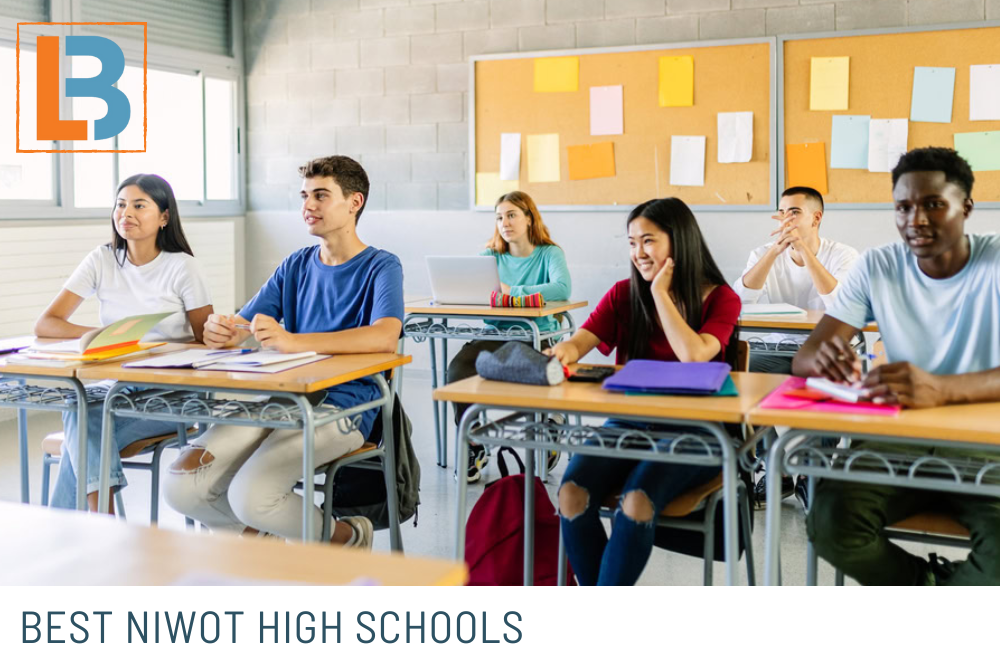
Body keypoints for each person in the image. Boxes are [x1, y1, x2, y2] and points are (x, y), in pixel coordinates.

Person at [163, 156, 404, 550]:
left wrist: (293, 340)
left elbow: (385, 336)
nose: (308, 205)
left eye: (321, 196)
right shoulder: (295, 265)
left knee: (251, 496)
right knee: (182, 485)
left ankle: (346, 536)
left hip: (344, 405)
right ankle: (266, 553)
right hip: (276, 397)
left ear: (354, 202)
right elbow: (242, 327)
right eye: (305, 196)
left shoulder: (381, 266)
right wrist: (223, 331)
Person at [794, 147, 1000, 585]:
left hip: (987, 446)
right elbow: (805, 356)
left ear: (966, 208)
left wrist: (943, 389)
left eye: (933, 204)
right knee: (830, 521)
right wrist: (824, 358)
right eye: (903, 206)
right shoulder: (879, 265)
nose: (916, 219)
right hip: (897, 441)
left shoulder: (995, 262)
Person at [547, 198, 741, 585]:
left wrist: (660, 295)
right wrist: (558, 354)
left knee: (636, 501)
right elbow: (580, 341)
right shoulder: (622, 294)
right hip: (629, 422)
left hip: (699, 429)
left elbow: (694, 356)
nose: (638, 253)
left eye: (648, 241)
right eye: (632, 242)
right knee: (570, 493)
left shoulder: (721, 297)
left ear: (680, 241)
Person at [34, 174, 213, 511]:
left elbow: (207, 340)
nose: (125, 213)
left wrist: (158, 346)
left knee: (84, 429)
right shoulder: (102, 259)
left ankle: (89, 523)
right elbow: (47, 323)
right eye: (120, 204)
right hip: (119, 387)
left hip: (173, 395)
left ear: (164, 217)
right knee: (80, 410)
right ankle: (100, 520)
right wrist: (105, 336)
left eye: (139, 205)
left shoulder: (183, 267)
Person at [733, 186, 858, 507]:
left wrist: (807, 255)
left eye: (795, 212)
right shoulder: (763, 252)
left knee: (834, 383)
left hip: (825, 351)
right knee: (743, 375)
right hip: (772, 347)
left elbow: (841, 304)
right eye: (782, 211)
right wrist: (774, 253)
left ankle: (810, 473)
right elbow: (740, 302)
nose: (786, 219)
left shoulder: (844, 255)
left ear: (816, 218)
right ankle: (775, 471)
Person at [445, 191, 571, 483]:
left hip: (535, 337)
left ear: (529, 218)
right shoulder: (490, 256)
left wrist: (510, 292)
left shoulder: (549, 253)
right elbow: (476, 291)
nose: (505, 222)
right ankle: (475, 441)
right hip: (494, 335)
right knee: (457, 371)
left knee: (536, 377)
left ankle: (549, 429)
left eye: (512, 215)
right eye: (499, 217)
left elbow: (561, 289)